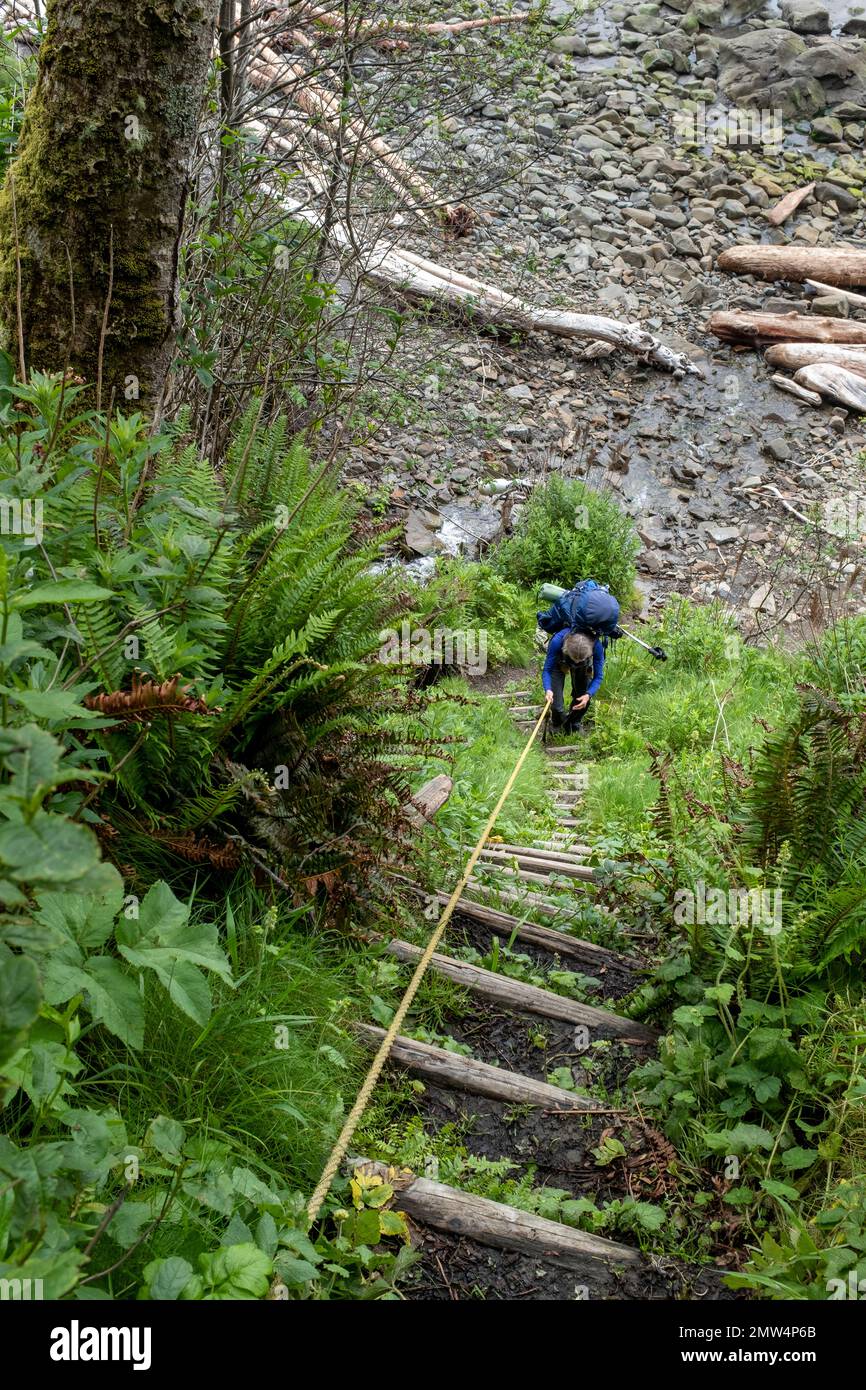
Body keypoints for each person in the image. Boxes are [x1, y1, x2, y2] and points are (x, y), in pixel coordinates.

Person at [542, 630, 603, 733]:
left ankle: (573, 723)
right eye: (575, 659)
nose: (577, 662)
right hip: (561, 660)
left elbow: (598, 676)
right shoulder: (557, 641)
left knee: (583, 697)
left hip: (585, 664)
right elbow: (547, 670)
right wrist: (548, 689)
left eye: (580, 659)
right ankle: (557, 723)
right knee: (556, 705)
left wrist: (588, 694)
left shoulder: (596, 646)